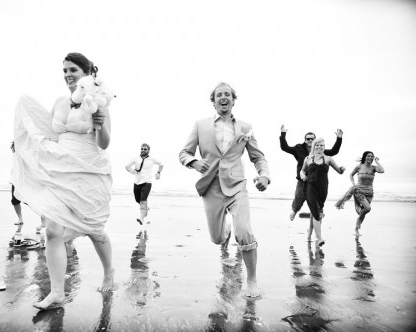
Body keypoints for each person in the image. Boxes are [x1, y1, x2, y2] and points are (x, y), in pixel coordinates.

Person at [11, 52, 114, 310]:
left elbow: (104, 143)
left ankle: (109, 271)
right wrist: (24, 141)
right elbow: (50, 132)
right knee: (53, 231)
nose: (68, 75)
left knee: (94, 230)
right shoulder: (60, 102)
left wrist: (100, 124)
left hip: (89, 170)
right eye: (65, 70)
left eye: (73, 70)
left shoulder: (100, 102)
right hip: (61, 171)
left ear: (87, 73)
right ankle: (57, 293)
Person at [179, 82, 270, 298]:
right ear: (214, 101)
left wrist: (264, 175)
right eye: (219, 94)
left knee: (244, 231)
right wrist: (193, 162)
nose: (223, 97)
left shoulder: (245, 128)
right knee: (217, 239)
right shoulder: (201, 125)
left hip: (237, 185)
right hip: (211, 187)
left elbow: (258, 156)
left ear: (233, 99)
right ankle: (225, 232)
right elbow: (183, 152)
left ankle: (252, 280)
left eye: (227, 94)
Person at [280, 125, 343, 221]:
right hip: (303, 179)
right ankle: (294, 210)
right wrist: (283, 134)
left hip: (317, 181)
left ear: (315, 140)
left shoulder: (320, 151)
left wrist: (339, 138)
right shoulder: (298, 149)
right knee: (298, 197)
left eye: (312, 139)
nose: (310, 140)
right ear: (305, 140)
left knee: (318, 202)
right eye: (308, 139)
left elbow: (334, 151)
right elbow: (285, 147)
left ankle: (317, 219)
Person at [300, 138, 345, 246]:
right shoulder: (308, 159)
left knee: (317, 211)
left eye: (322, 145)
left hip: (323, 188)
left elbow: (339, 171)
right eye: (317, 145)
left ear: (324, 147)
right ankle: (319, 238)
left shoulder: (328, 159)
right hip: (310, 187)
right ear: (314, 146)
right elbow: (302, 170)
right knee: (316, 212)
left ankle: (310, 232)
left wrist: (342, 169)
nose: (319, 147)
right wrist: (302, 174)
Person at [335, 151, 385, 236]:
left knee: (362, 211)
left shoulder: (374, 168)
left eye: (372, 157)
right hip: (359, 190)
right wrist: (353, 183)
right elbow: (351, 175)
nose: (370, 158)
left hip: (369, 192)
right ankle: (358, 221)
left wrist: (377, 161)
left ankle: (356, 229)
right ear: (364, 157)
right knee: (367, 208)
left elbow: (382, 170)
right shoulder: (359, 167)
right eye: (368, 156)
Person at [125, 144, 163, 225]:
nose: (143, 150)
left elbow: (161, 164)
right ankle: (146, 209)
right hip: (137, 182)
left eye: (145, 149)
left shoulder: (152, 159)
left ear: (148, 150)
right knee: (137, 200)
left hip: (147, 182)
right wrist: (132, 171)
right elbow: (127, 166)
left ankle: (141, 219)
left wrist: (158, 173)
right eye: (142, 149)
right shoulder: (136, 158)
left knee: (143, 200)